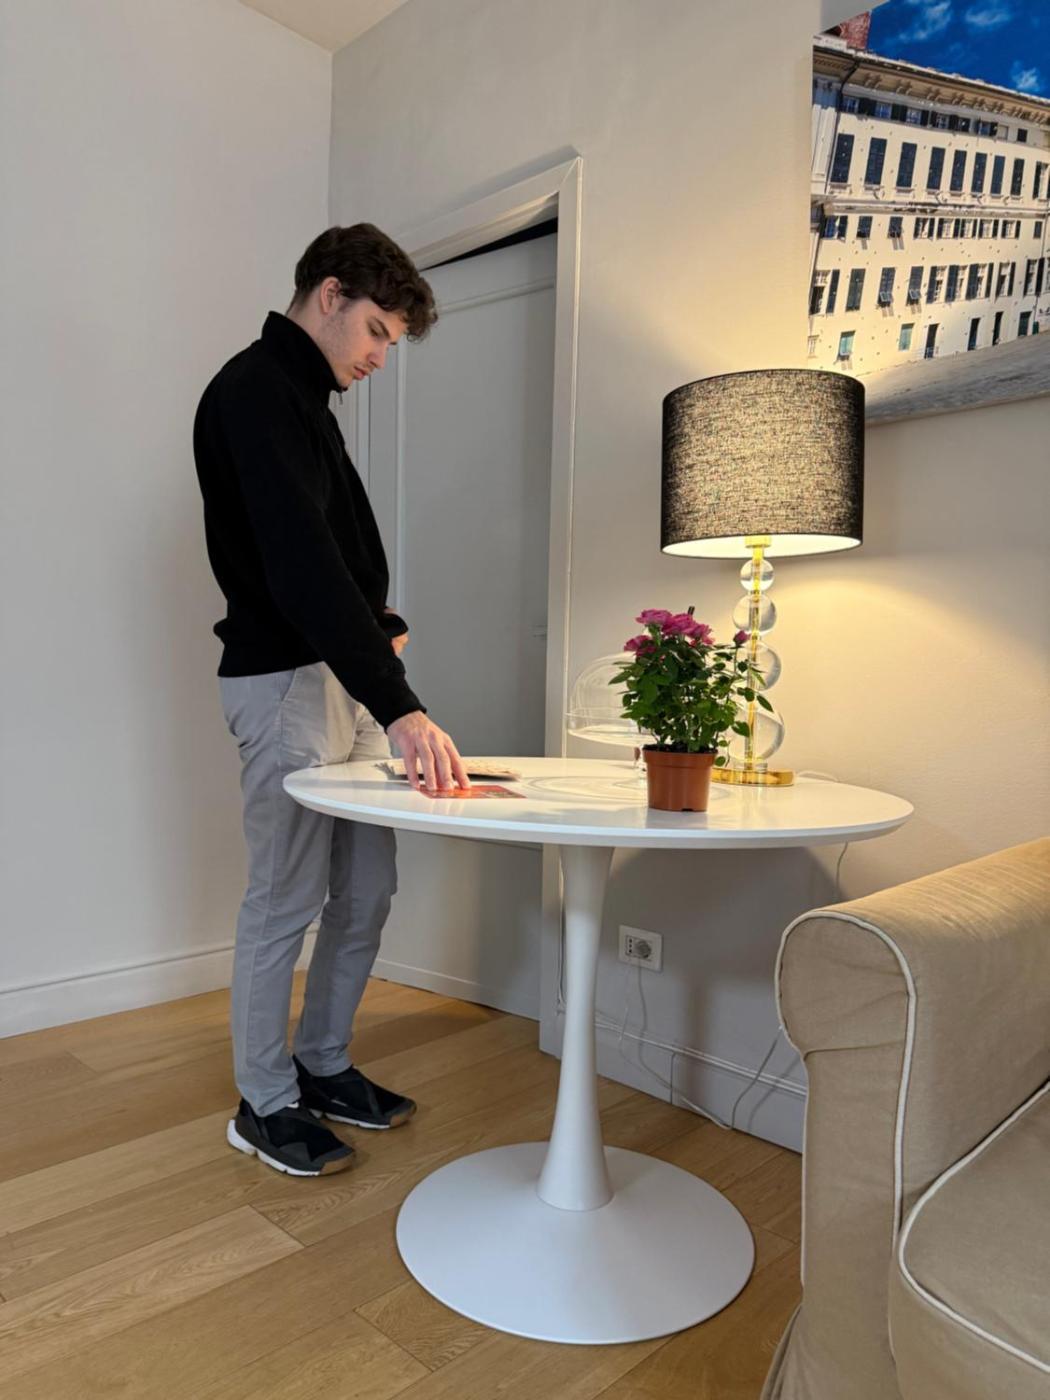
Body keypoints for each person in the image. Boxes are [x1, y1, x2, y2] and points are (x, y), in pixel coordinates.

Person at [193, 223, 471, 1178]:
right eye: (378, 330)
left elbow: (331, 558)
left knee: (366, 887)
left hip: (339, 681)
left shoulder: (305, 401)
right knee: (285, 899)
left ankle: (321, 1065)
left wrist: (378, 622)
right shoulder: (253, 391)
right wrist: (400, 705)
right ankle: (264, 1103)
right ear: (330, 294)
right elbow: (297, 567)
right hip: (285, 686)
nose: (381, 356)